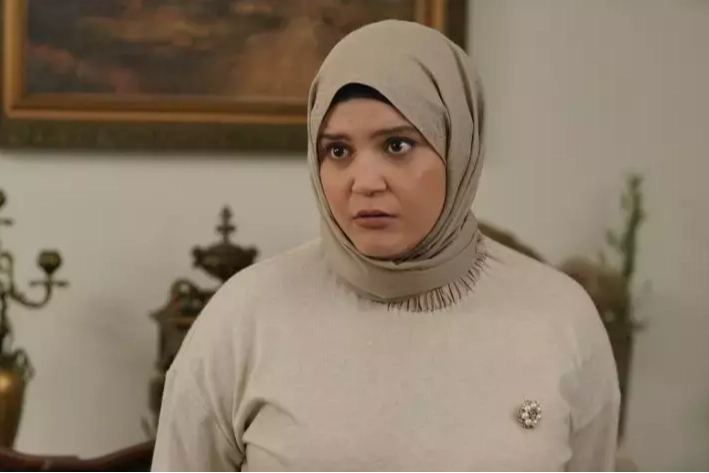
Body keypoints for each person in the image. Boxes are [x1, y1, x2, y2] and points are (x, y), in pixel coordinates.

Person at [151, 20, 620, 472]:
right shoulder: (242, 318)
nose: (365, 182)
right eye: (338, 151)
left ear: (458, 146)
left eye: (397, 145)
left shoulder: (561, 318)